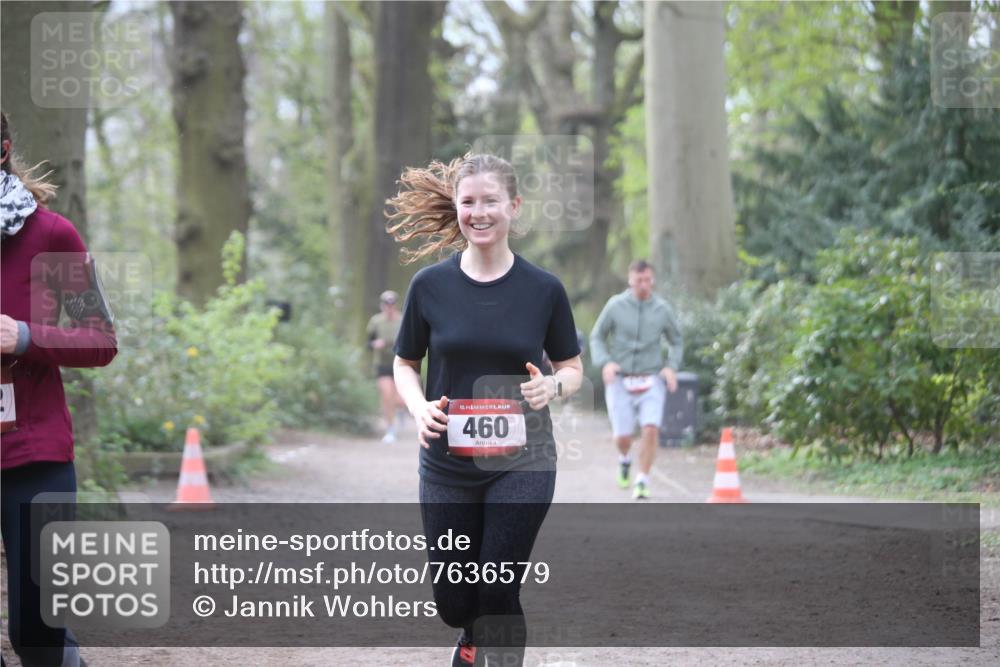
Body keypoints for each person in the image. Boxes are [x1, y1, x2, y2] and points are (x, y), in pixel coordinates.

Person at [387, 153, 583, 667]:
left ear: (513, 206)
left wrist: (554, 388)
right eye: (467, 202)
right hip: (448, 464)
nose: (479, 212)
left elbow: (572, 366)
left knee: (496, 587)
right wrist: (416, 405)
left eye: (490, 201)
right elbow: (404, 362)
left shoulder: (544, 290)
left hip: (523, 460)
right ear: (456, 208)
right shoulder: (429, 287)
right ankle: (472, 642)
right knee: (456, 605)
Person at [1, 111, 117, 666]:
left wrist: (25, 336)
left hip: (35, 455)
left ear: (2, 150)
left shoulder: (52, 234)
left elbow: (100, 340)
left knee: (38, 632)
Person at [590, 259, 683, 500]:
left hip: (651, 379)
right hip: (621, 380)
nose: (644, 285)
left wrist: (671, 367)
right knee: (623, 437)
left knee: (651, 428)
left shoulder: (662, 310)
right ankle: (624, 458)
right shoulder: (616, 306)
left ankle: (642, 479)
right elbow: (597, 337)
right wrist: (606, 362)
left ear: (653, 281)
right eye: (639, 280)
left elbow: (677, 340)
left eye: (648, 280)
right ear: (630, 280)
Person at [366, 289, 405, 443]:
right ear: (382, 305)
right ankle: (390, 429)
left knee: (399, 399)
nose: (389, 307)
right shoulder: (376, 321)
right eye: (386, 304)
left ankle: (400, 410)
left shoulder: (402, 320)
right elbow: (368, 343)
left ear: (395, 305)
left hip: (401, 363)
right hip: (382, 364)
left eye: (392, 304)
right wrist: (375, 344)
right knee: (387, 394)